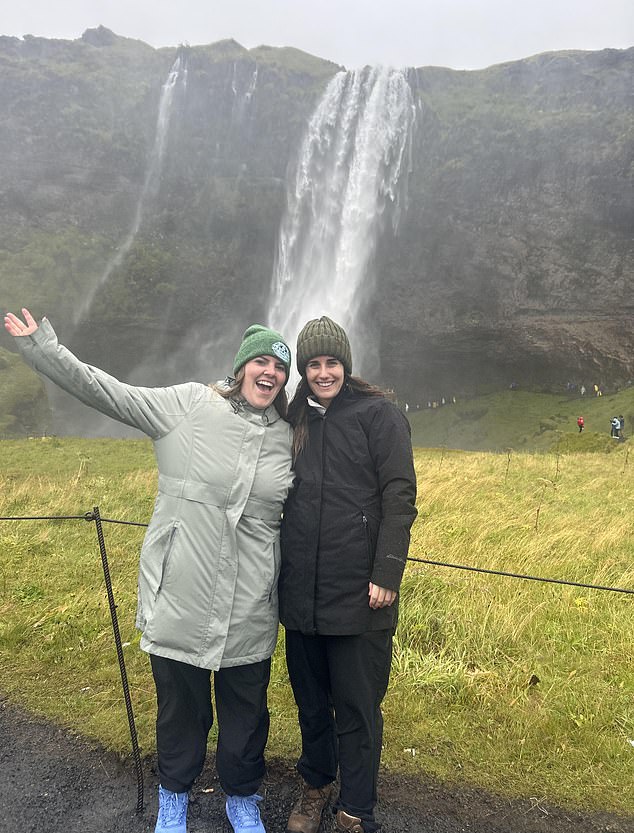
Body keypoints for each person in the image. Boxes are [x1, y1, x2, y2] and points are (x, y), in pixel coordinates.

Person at [4, 308, 294, 833]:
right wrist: (42, 349)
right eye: (261, 361)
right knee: (180, 709)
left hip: (251, 604)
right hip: (181, 593)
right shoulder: (186, 404)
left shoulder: (288, 438)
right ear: (241, 367)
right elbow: (107, 391)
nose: (270, 372)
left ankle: (242, 799)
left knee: (246, 714)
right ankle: (174, 797)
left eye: (280, 367)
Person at [279, 316, 418, 833]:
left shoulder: (380, 416)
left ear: (346, 365)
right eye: (312, 364)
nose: (322, 372)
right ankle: (315, 785)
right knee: (311, 704)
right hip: (301, 596)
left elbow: (399, 496)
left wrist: (386, 572)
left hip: (362, 596)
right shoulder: (292, 418)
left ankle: (355, 809)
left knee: (358, 710)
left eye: (330, 362)